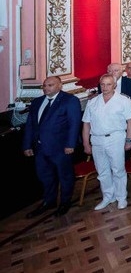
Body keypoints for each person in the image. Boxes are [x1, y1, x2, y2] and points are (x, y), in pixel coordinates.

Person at [22, 76, 82, 217]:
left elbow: (74, 124)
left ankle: (65, 202)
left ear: (60, 86)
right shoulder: (37, 102)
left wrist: (70, 144)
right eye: (44, 85)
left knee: (65, 176)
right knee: (45, 176)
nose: (46, 88)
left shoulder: (70, 100)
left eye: (50, 85)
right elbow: (30, 125)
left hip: (61, 148)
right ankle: (49, 201)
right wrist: (27, 145)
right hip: (40, 148)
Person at [82, 73, 131, 211]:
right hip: (97, 139)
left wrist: (128, 140)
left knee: (118, 169)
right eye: (103, 84)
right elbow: (86, 124)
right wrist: (86, 143)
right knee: (102, 171)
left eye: (108, 84)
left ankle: (121, 197)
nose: (105, 87)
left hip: (116, 138)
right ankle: (108, 197)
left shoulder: (123, 100)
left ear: (115, 85)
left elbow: (130, 122)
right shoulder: (93, 102)